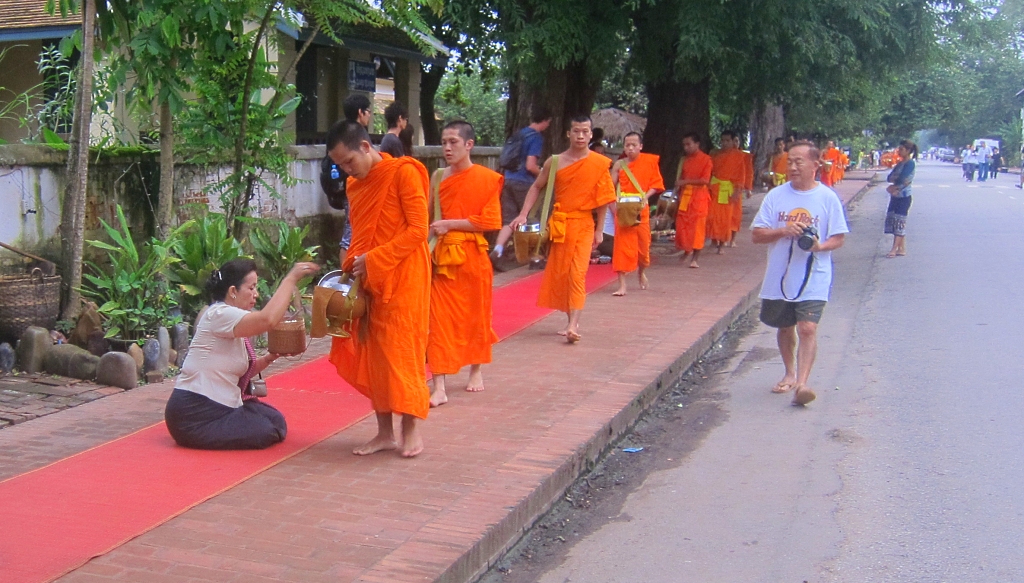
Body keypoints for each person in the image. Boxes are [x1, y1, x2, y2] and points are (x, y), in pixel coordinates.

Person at [325, 120, 431, 458]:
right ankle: (384, 432)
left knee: (404, 351)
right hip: (369, 276)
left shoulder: (404, 173)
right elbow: (358, 234)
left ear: (366, 147)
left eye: (348, 162)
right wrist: (351, 265)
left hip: (405, 275)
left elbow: (418, 230)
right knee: (373, 353)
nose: (345, 171)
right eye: (339, 165)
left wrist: (377, 257)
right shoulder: (356, 187)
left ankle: (410, 428)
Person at [164, 258, 320, 450]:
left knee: (275, 420)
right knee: (266, 430)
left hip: (222, 407)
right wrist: (291, 279)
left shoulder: (235, 320)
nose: (256, 294)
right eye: (251, 288)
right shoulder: (219, 314)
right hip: (195, 413)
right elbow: (267, 320)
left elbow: (243, 370)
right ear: (232, 291)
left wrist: (271, 357)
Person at [751, 141, 848, 406]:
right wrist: (783, 230)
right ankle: (789, 372)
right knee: (785, 326)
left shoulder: (827, 198)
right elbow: (757, 235)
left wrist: (819, 246)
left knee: (807, 327)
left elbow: (839, 237)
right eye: (789, 161)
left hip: (814, 275)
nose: (792, 167)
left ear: (815, 165)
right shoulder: (775, 196)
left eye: (798, 162)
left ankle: (803, 383)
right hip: (780, 276)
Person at [510, 115, 615, 343]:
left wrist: (599, 231)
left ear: (590, 134)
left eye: (585, 131)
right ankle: (570, 316)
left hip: (584, 224)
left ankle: (573, 324)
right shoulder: (555, 161)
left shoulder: (598, 163)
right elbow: (537, 187)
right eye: (576, 131)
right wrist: (523, 214)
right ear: (568, 133)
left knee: (578, 274)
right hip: (560, 224)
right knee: (563, 274)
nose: (580, 136)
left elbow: (603, 199)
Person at [427, 121, 502, 407]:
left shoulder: (486, 178)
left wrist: (451, 224)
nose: (447, 147)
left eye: (453, 142)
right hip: (442, 260)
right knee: (438, 322)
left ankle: (476, 369)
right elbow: (428, 220)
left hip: (472, 259)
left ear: (469, 145)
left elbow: (491, 221)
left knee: (476, 317)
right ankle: (440, 385)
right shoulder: (437, 178)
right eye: (444, 142)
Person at [492, 104, 552, 262]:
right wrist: (545, 175)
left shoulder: (518, 134)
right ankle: (534, 255)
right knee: (531, 217)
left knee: (508, 219)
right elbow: (530, 165)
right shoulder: (536, 137)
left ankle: (498, 249)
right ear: (545, 121)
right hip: (524, 182)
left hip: (509, 179)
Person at [609, 131, 664, 296]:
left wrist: (645, 197)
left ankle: (641, 272)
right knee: (621, 248)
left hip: (641, 210)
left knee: (643, 249)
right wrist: (614, 205)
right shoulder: (619, 165)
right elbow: (610, 187)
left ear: (641, 146)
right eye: (627, 145)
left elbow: (656, 184)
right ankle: (622, 285)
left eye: (634, 145)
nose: (630, 148)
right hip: (624, 211)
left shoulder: (649, 162)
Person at [334, 94, 375, 267]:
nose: (370, 115)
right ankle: (345, 275)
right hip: (355, 190)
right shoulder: (351, 137)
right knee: (351, 234)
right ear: (361, 112)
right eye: (368, 112)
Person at [673, 132, 713, 268]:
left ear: (697, 144)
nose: (686, 147)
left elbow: (705, 180)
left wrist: (685, 182)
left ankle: (695, 258)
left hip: (699, 198)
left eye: (689, 144)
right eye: (684, 145)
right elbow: (680, 179)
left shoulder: (706, 159)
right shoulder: (684, 160)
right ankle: (686, 250)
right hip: (685, 197)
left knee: (697, 229)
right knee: (682, 226)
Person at [707, 131, 747, 254]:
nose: (724, 143)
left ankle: (722, 245)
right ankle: (714, 240)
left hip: (727, 190)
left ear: (732, 141)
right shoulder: (715, 154)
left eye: (727, 141)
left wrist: (737, 191)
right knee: (713, 216)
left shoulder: (739, 156)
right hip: (714, 188)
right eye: (722, 140)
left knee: (725, 218)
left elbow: (741, 175)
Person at [885, 139, 917, 258]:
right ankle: (901, 248)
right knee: (894, 220)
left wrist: (896, 183)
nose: (899, 151)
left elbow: (903, 179)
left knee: (900, 222)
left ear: (908, 151)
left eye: (902, 149)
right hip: (895, 195)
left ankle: (894, 249)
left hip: (904, 196)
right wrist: (895, 181)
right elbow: (890, 177)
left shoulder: (910, 164)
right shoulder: (900, 164)